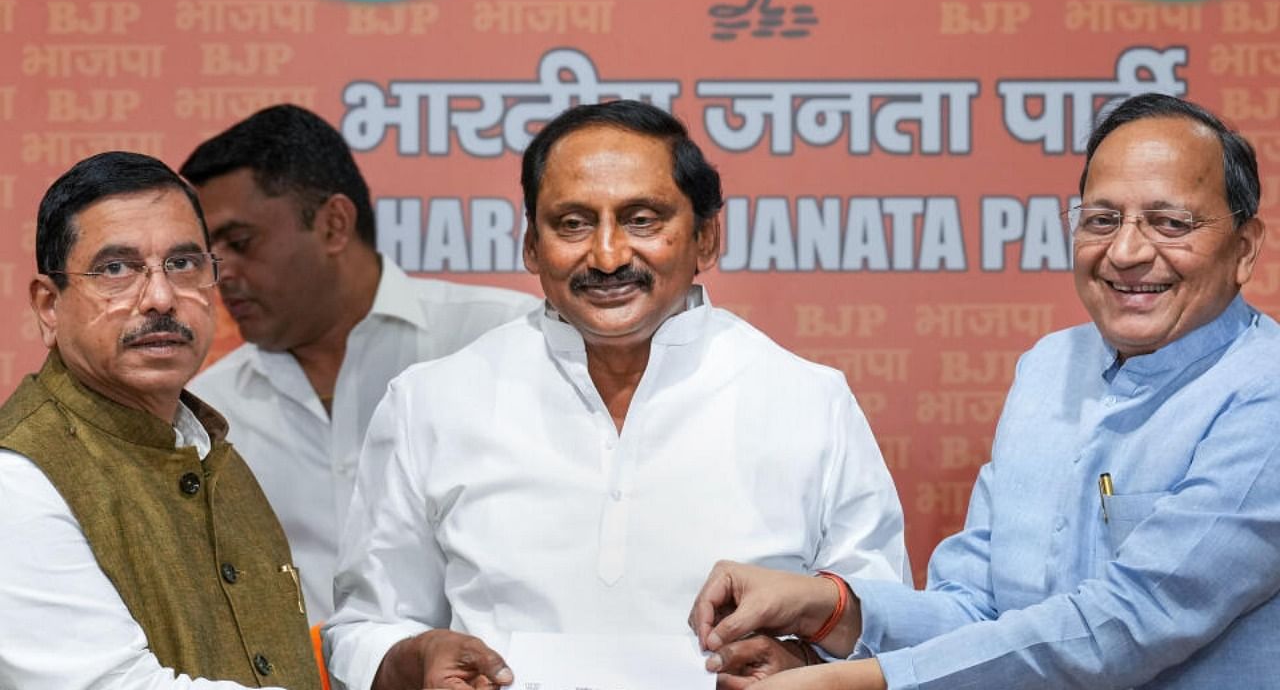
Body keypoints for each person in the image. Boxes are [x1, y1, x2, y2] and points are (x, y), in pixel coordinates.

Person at [689, 92, 1279, 689]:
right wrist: (829, 609)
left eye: (1170, 223)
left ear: (1245, 248)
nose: (1126, 252)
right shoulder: (1049, 369)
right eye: (1101, 220)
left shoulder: (1266, 393)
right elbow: (975, 610)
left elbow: (1123, 624)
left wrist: (865, 683)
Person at [322, 100, 910, 690]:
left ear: (706, 239)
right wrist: (415, 656)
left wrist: (807, 668)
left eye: (642, 219)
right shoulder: (431, 402)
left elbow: (891, 631)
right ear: (531, 246)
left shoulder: (809, 401)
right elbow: (363, 629)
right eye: (572, 224)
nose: (606, 256)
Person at [181, 104, 539, 622]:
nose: (220, 274)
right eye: (207, 254)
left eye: (239, 244)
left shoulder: (506, 342)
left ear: (333, 225)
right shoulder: (206, 415)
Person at [0, 151, 322, 690]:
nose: (160, 297)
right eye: (116, 269)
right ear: (49, 306)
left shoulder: (205, 447)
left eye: (184, 263)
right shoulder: (19, 480)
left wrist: (386, 663)